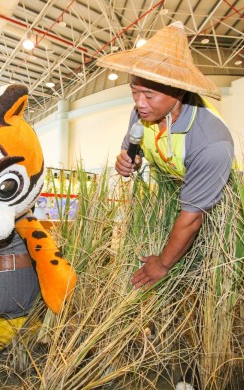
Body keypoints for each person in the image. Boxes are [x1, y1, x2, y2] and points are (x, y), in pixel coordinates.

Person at [97, 21, 234, 289]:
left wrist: (161, 264)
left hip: (211, 211)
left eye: (148, 94)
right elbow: (131, 149)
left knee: (198, 280)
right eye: (134, 91)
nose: (139, 102)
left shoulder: (211, 141)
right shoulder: (142, 114)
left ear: (179, 90)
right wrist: (128, 160)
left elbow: (193, 216)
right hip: (173, 201)